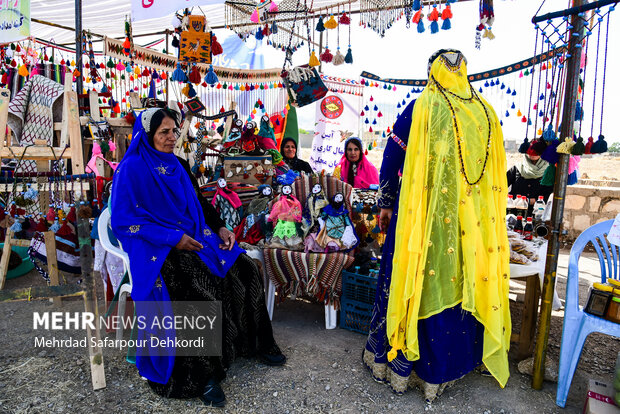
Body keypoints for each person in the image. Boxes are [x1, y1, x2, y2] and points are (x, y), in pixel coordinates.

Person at [110, 107, 285, 408]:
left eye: (173, 131)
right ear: (148, 133)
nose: (170, 137)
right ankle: (201, 374)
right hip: (156, 246)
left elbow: (201, 204)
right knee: (195, 283)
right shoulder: (131, 169)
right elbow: (123, 221)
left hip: (195, 235)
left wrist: (220, 227)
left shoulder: (178, 165)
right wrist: (172, 238)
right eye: (163, 132)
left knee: (245, 267)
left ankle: (252, 343)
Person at [363, 50, 511, 402]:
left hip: (416, 222)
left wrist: (385, 203)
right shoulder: (484, 114)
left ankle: (399, 365)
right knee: (457, 286)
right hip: (466, 229)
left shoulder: (420, 108)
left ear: (431, 72)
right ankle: (446, 370)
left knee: (412, 282)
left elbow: (391, 157)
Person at [507, 139, 553, 214]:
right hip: (513, 212)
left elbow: (549, 194)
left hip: (536, 213)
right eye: (531, 149)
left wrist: (531, 201)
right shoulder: (517, 168)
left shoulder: (548, 172)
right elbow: (502, 184)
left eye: (537, 150)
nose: (533, 153)